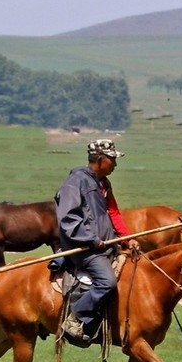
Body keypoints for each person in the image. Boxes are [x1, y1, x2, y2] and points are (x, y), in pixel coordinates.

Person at [54, 139, 139, 346]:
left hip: (105, 245)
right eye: (112, 159)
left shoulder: (103, 184)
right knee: (107, 282)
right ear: (100, 160)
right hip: (84, 249)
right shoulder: (76, 183)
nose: (115, 164)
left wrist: (127, 238)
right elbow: (68, 219)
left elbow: (113, 213)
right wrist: (92, 240)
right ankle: (76, 318)